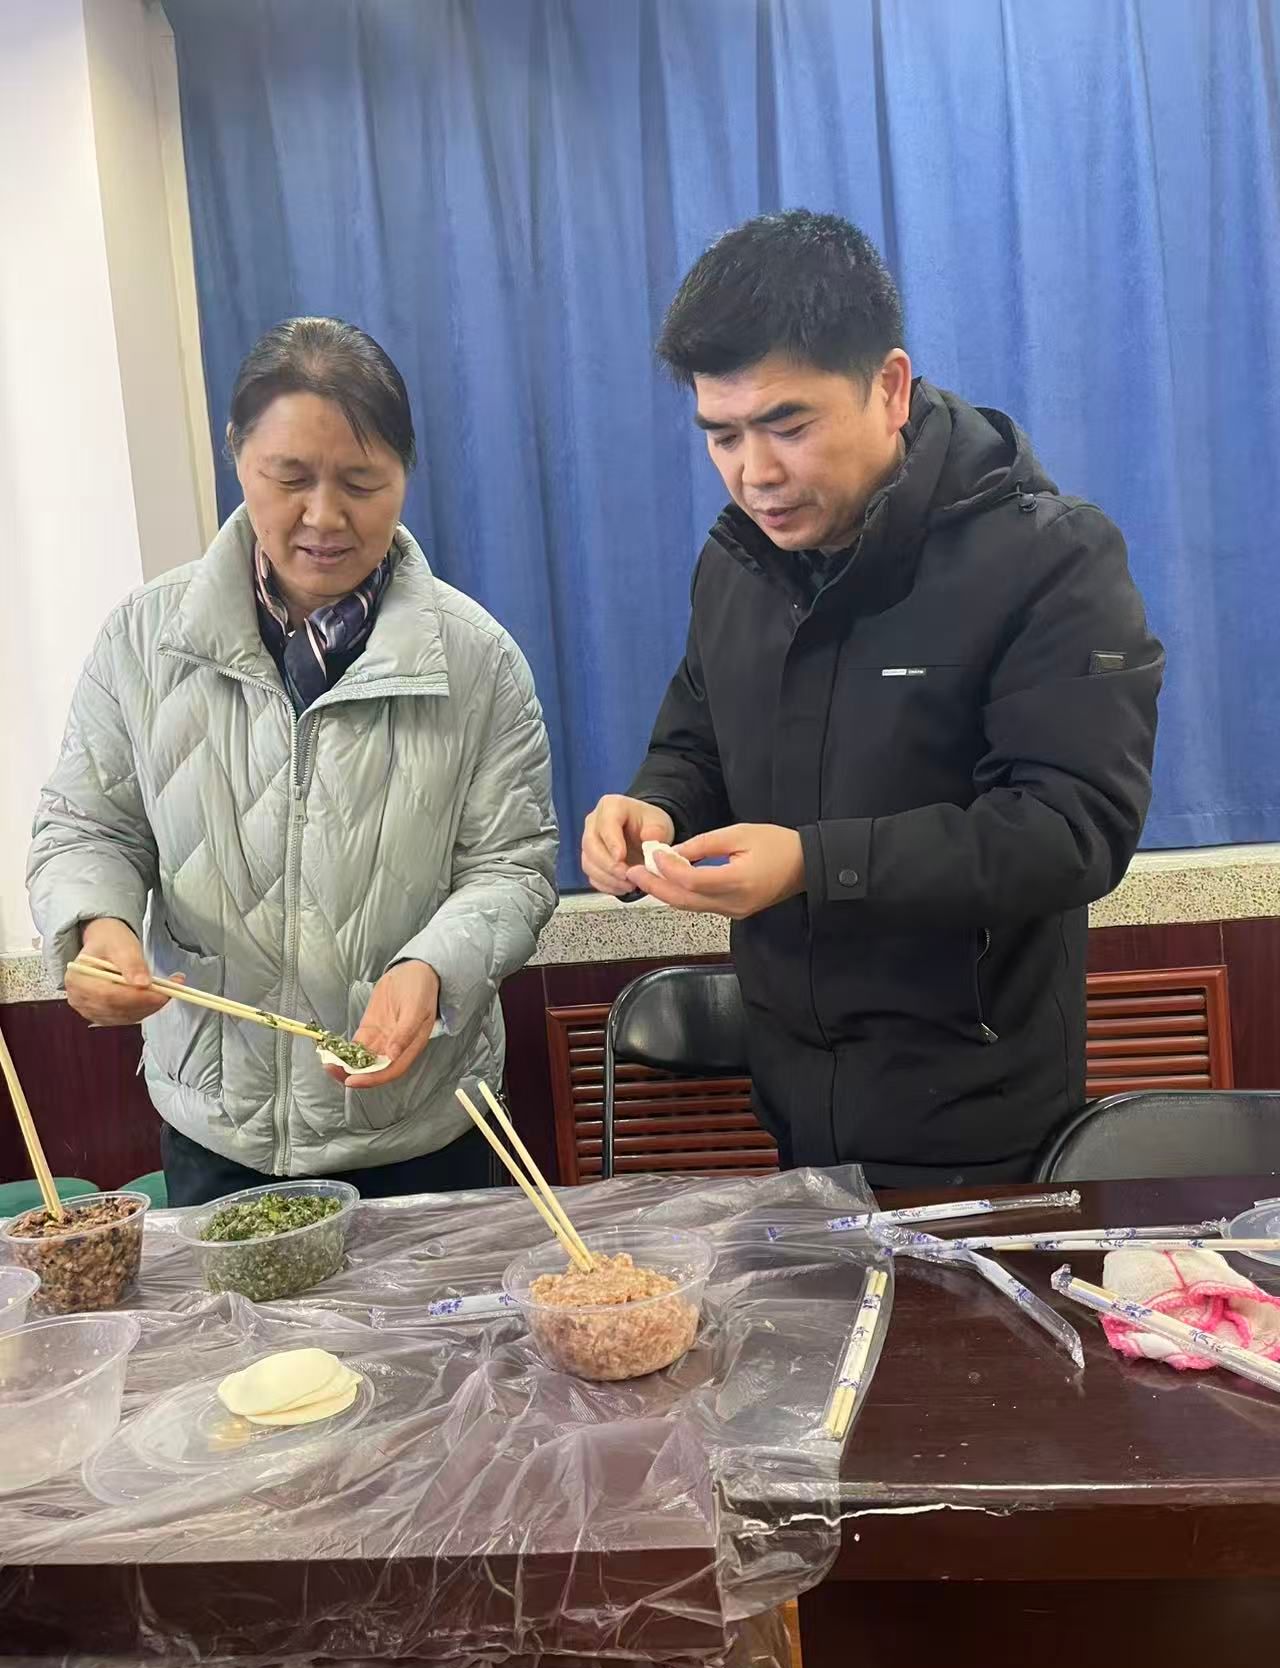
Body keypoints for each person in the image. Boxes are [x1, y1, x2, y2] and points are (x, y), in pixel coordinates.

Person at [582, 211, 1162, 1189]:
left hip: (981, 1122)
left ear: (889, 388)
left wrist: (812, 864)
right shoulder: (736, 569)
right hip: (793, 1099)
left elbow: (1070, 829)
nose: (754, 473)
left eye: (788, 426)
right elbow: (697, 741)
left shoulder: (1048, 558)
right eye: (721, 435)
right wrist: (655, 806)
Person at [30, 317, 557, 1207]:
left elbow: (512, 868)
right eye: (291, 478)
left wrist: (433, 968)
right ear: (237, 455)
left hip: (418, 1130)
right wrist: (95, 925)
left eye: (361, 482)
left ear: (405, 474)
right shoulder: (144, 641)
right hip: (218, 1131)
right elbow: (86, 827)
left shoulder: (478, 662)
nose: (324, 516)